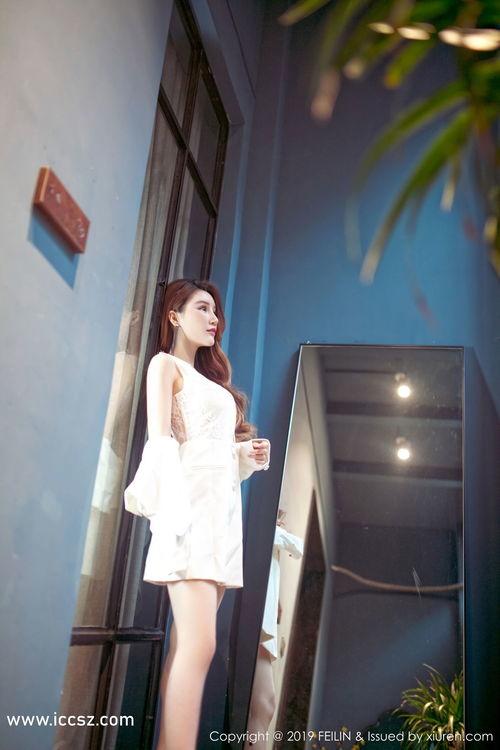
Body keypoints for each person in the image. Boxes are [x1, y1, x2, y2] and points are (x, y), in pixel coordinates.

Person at [124, 278, 271, 750]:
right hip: (189, 514)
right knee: (200, 645)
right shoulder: (164, 365)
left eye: (216, 312)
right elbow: (162, 443)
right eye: (203, 308)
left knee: (187, 645)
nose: (214, 319)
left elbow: (215, 458)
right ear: (174, 315)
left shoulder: (214, 384)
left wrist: (245, 454)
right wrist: (171, 516)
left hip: (220, 518)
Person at [244, 509, 303, 750]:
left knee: (265, 704)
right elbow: (297, 547)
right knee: (264, 704)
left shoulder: (269, 535)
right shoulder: (265, 528)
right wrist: (276, 529)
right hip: (254, 620)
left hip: (259, 621)